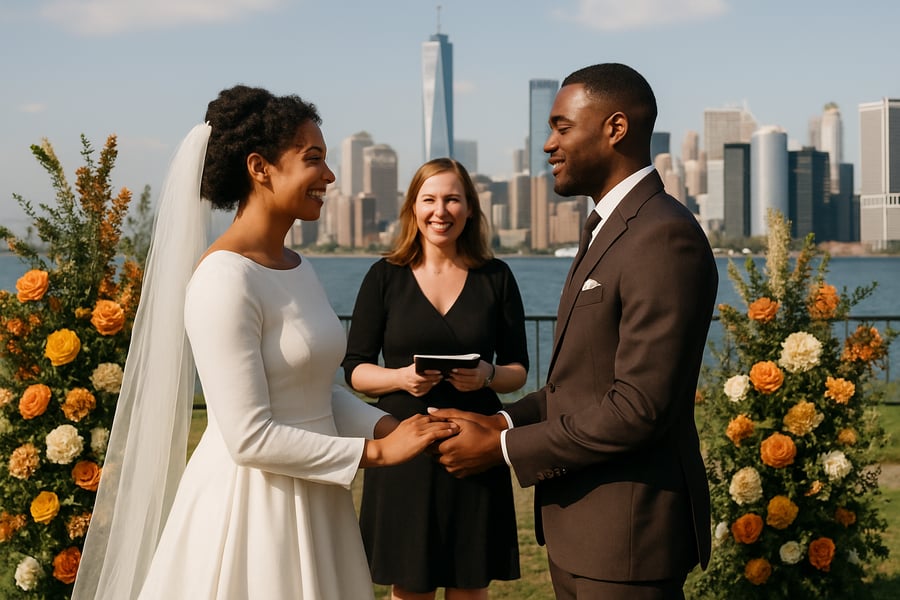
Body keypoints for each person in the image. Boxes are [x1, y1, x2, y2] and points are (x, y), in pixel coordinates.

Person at [73, 85, 457, 600]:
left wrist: (397, 426)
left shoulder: (298, 267)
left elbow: (317, 389)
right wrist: (378, 453)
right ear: (260, 168)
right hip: (254, 509)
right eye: (313, 159)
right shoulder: (223, 280)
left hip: (318, 496)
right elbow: (249, 437)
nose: (329, 176)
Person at [429, 63, 718, 599]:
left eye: (562, 128)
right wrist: (495, 418)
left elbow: (637, 409)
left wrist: (504, 448)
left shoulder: (662, 236)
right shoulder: (608, 228)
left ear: (614, 128)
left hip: (626, 545)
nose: (547, 145)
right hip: (582, 536)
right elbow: (579, 383)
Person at [342, 158, 529, 600]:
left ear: (469, 209)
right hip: (403, 448)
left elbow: (518, 370)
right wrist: (401, 378)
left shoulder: (497, 277)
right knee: (409, 588)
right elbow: (355, 370)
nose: (440, 210)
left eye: (451, 199)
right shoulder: (384, 276)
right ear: (413, 208)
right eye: (429, 199)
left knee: (470, 585)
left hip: (477, 447)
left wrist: (487, 376)